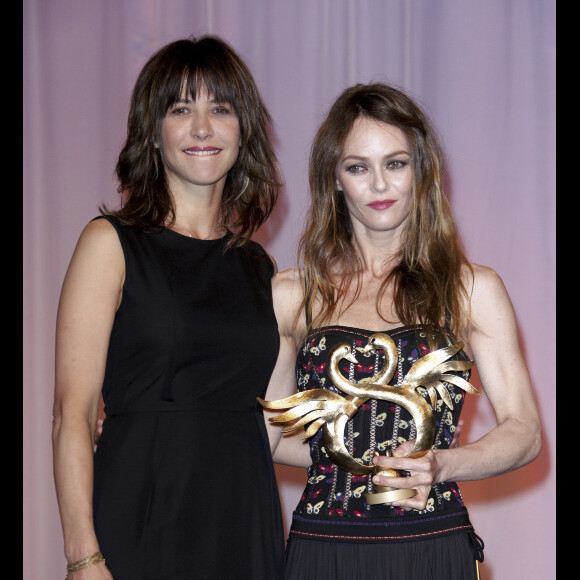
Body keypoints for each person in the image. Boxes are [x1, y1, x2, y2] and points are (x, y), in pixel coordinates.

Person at [261, 83, 542, 579]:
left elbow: (525, 431)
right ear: (335, 179)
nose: (378, 184)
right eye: (357, 167)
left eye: (395, 163)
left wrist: (443, 465)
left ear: (421, 171)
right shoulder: (291, 294)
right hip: (323, 549)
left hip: (432, 545)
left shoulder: (472, 288)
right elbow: (262, 440)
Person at [52, 35, 286, 579]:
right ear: (153, 134)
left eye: (220, 109)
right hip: (141, 512)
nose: (202, 127)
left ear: (242, 130)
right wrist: (82, 557)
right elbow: (73, 414)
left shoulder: (258, 266)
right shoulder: (109, 243)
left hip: (243, 520)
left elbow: (268, 420)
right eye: (181, 109)